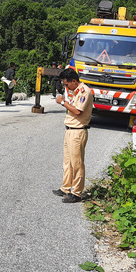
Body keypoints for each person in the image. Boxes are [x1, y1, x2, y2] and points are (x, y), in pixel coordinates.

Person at [52, 68, 93, 203]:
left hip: (77, 131)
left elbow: (77, 111)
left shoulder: (84, 91)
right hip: (70, 130)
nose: (66, 87)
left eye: (67, 84)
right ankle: (66, 188)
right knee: (68, 162)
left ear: (74, 81)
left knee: (77, 163)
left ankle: (76, 193)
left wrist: (63, 102)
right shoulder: (75, 91)